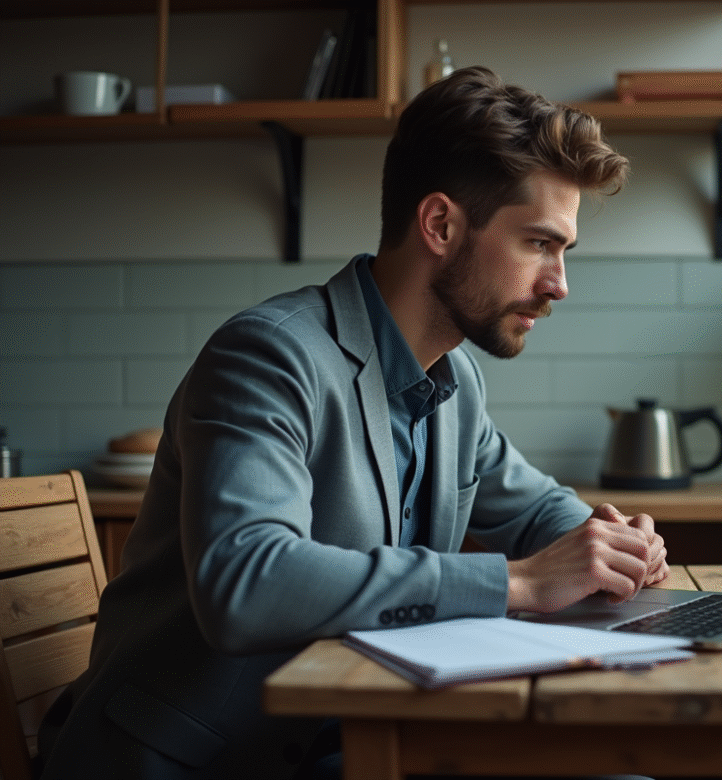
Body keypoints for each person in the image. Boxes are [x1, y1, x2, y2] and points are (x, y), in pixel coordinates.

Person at [37, 66, 669, 780]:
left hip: (348, 742)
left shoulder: (454, 381)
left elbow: (536, 508)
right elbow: (246, 582)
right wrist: (518, 584)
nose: (559, 283)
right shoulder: (270, 355)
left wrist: (612, 542)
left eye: (563, 250)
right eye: (538, 243)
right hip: (193, 763)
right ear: (440, 224)